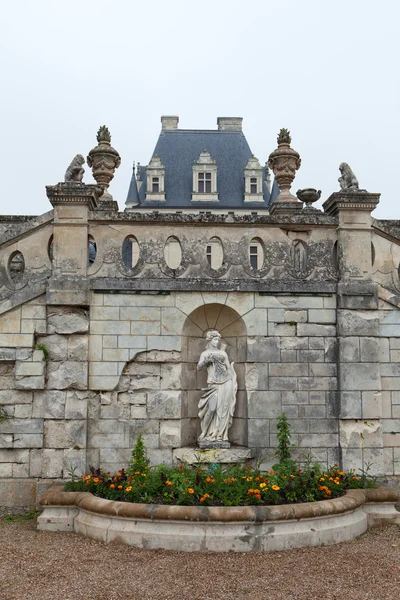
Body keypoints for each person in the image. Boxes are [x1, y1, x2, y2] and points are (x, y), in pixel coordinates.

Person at [197, 330, 237, 445]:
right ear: (209, 340)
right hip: (214, 384)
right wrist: (206, 361)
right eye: (215, 339)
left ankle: (219, 435)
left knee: (223, 410)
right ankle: (204, 433)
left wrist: (233, 381)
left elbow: (228, 368)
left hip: (226, 383)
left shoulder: (223, 353)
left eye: (218, 340)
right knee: (212, 408)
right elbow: (198, 367)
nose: (217, 342)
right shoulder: (205, 354)